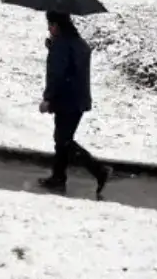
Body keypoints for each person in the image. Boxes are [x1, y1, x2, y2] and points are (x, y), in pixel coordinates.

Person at [39, 11, 112, 198]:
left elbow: (58, 74)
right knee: (61, 139)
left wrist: (48, 98)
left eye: (51, 24)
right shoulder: (77, 42)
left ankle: (99, 170)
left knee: (64, 141)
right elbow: (72, 66)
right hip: (78, 99)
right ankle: (58, 177)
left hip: (67, 99)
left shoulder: (62, 45)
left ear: (58, 25)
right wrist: (54, 48)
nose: (49, 27)